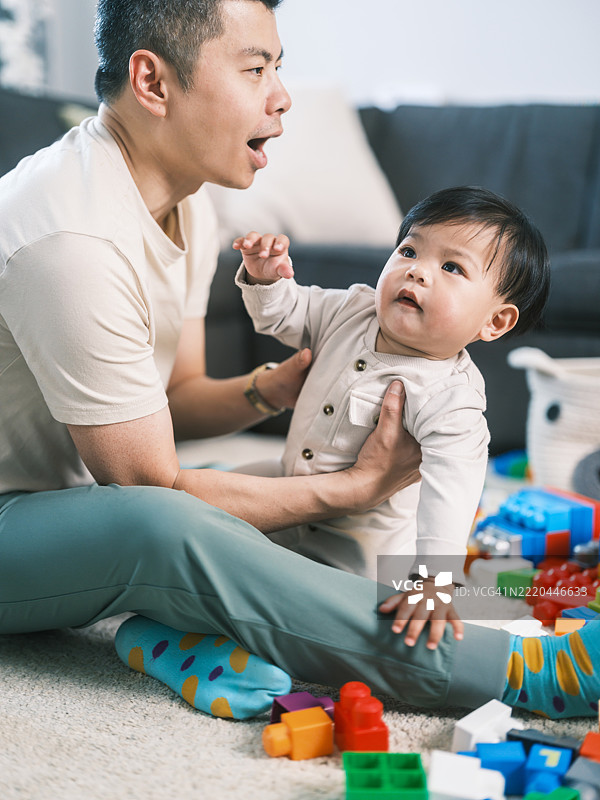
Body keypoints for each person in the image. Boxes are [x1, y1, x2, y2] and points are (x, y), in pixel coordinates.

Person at [0, 0, 597, 722]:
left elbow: (176, 396)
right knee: (164, 524)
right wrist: (347, 489)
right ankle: (519, 670)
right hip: (18, 515)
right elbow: (142, 483)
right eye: (255, 69)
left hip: (57, 500)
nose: (282, 96)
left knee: (237, 495)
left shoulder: (187, 203)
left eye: (278, 68)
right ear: (153, 83)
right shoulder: (74, 239)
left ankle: (539, 591)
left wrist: (267, 390)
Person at [233, 186, 549, 644]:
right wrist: (266, 280)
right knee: (210, 506)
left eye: (451, 267)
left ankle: (514, 621)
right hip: (288, 487)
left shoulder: (450, 396)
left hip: (364, 544)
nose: (418, 271)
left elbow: (453, 489)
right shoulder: (353, 307)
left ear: (494, 322)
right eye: (409, 250)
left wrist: (432, 579)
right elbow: (285, 315)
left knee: (344, 619)